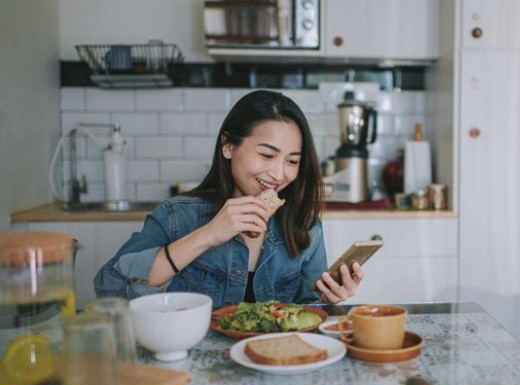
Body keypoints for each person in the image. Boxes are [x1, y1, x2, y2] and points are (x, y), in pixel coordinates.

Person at [94, 90, 364, 308]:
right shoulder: (177, 216)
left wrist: (328, 301)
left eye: (292, 161)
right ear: (228, 146)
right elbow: (109, 289)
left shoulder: (304, 223)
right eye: (267, 155)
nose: (280, 174)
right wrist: (209, 234)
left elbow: (305, 309)